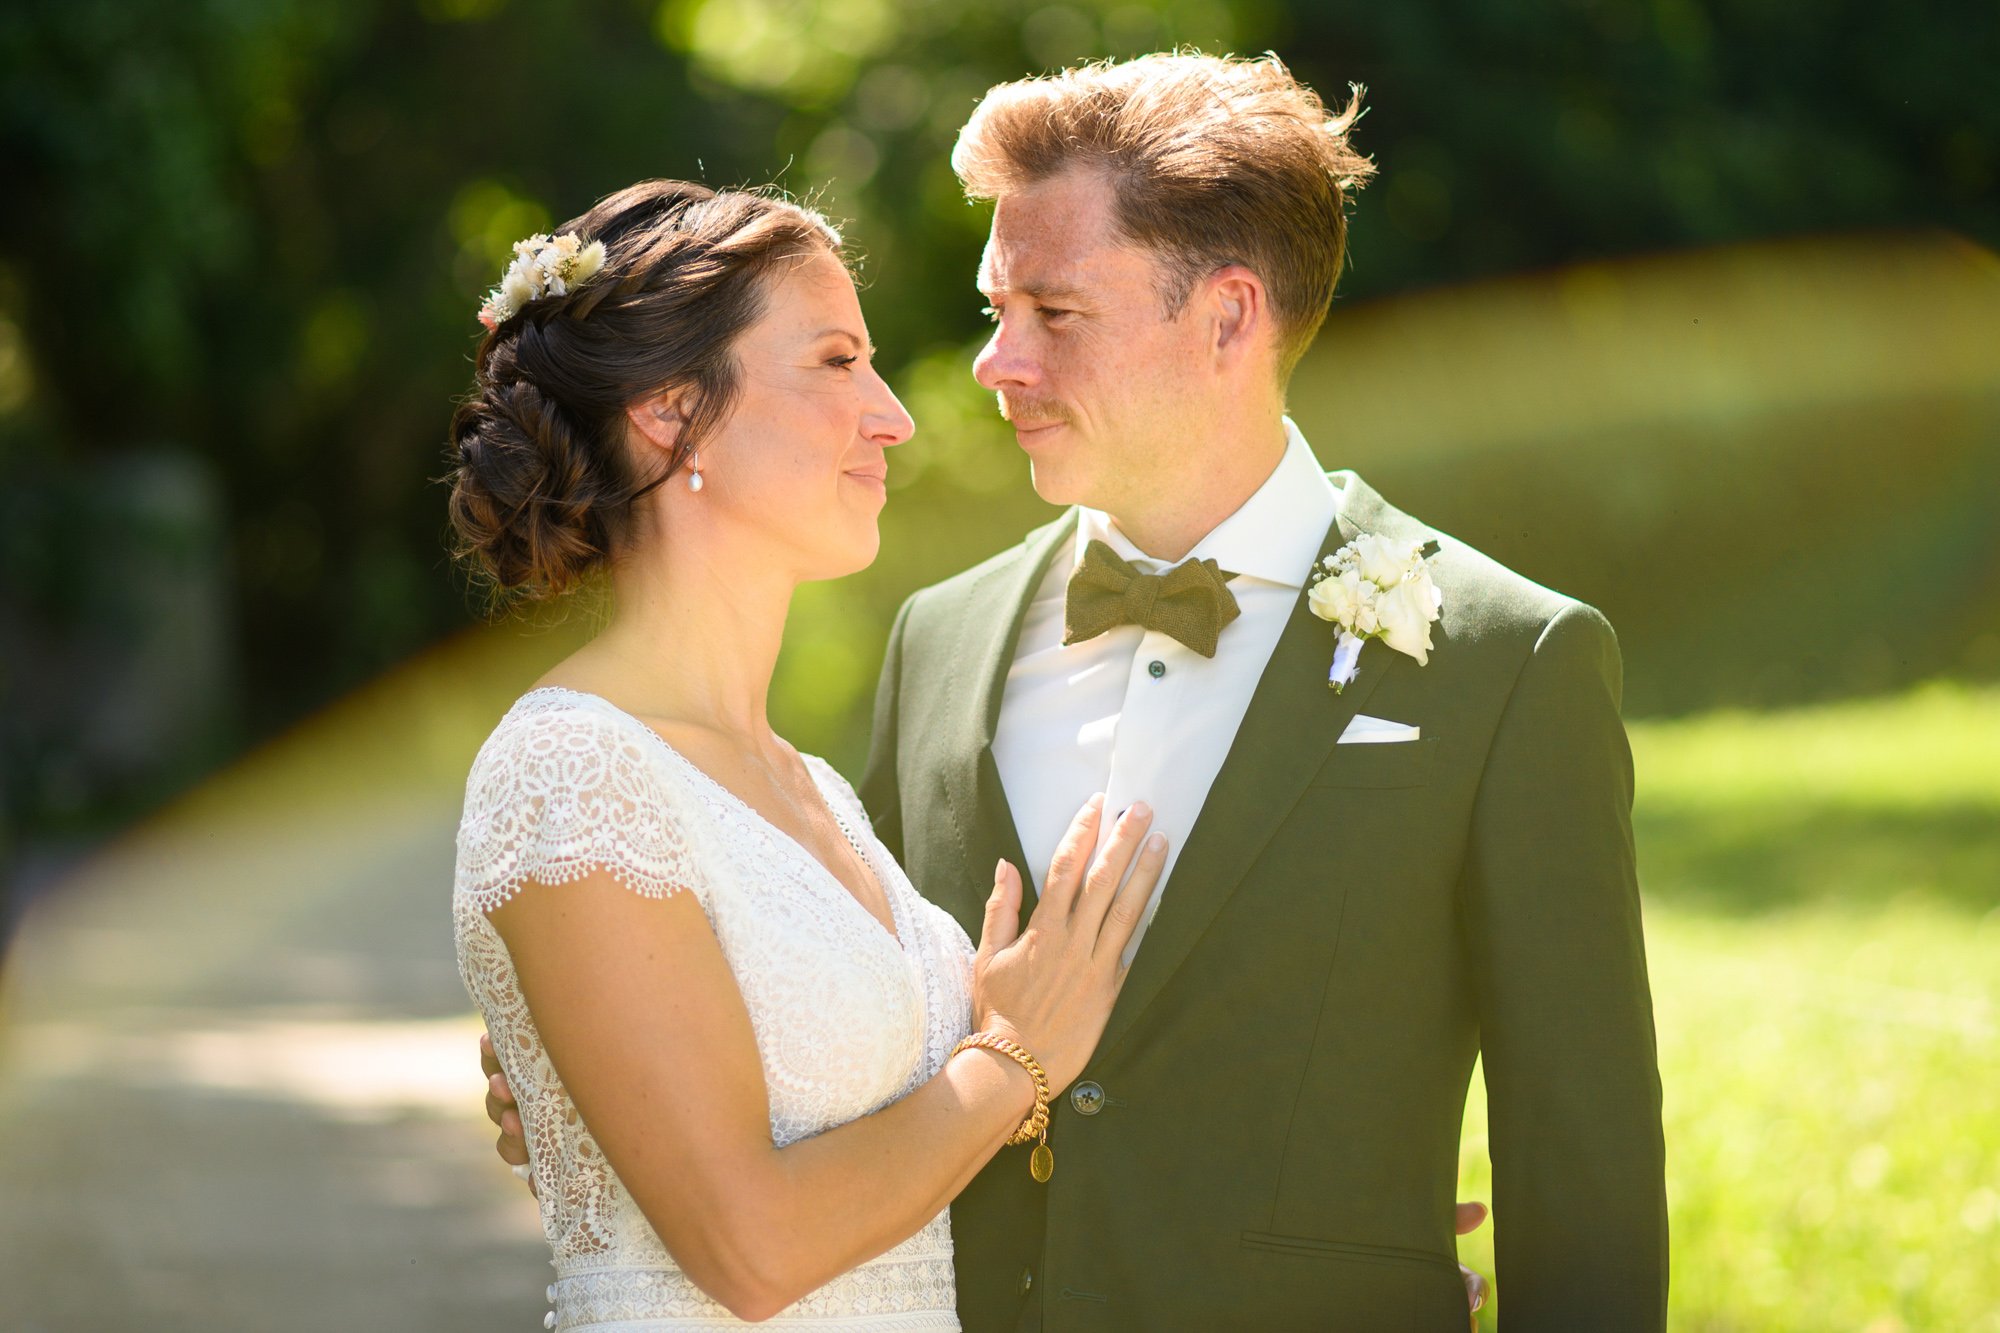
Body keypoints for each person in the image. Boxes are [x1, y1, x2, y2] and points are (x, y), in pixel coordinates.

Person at [855, 52, 1669, 1329]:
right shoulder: (936, 639)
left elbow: (1586, 1171)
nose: (994, 365)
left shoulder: (1509, 661)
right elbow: (858, 1019)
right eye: (992, 308)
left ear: (1229, 316)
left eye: (1054, 314)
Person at [449, 179, 1177, 1331]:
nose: (892, 416)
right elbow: (751, 1248)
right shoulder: (570, 771)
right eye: (837, 362)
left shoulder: (812, 786)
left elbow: (909, 1153)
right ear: (670, 411)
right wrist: (1011, 1055)